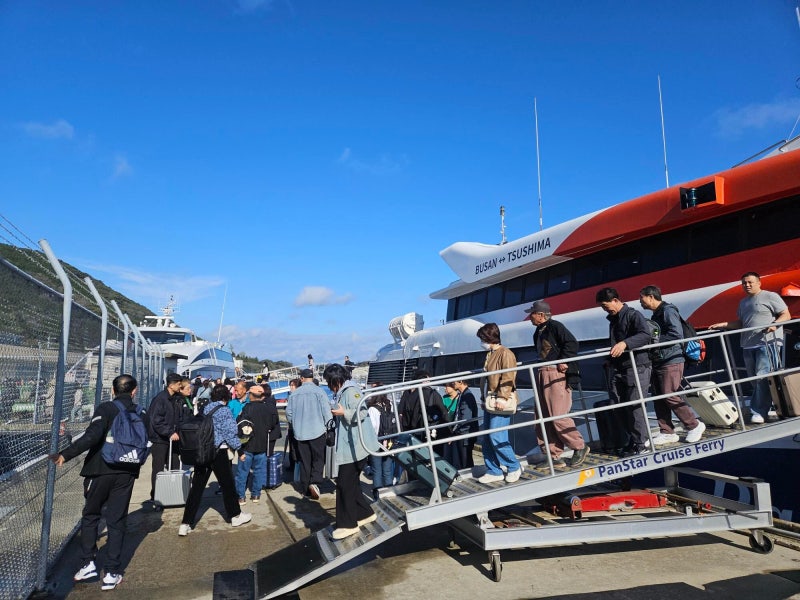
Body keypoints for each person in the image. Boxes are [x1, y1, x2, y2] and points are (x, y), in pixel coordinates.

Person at [50, 374, 147, 591]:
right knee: (117, 520)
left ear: (113, 391)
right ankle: (112, 573)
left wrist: (66, 454)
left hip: (100, 470)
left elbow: (92, 436)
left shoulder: (106, 408)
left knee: (91, 515)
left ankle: (88, 563)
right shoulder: (140, 411)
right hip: (127, 472)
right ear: (134, 391)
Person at [709, 272, 791, 423]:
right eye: (744, 283)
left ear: (759, 283)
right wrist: (724, 325)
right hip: (747, 345)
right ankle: (770, 405)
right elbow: (742, 323)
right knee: (755, 379)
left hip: (767, 343)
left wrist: (774, 325)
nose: (747, 285)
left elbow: (786, 315)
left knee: (762, 377)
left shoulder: (770, 296)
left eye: (750, 282)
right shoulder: (743, 302)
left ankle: (759, 411)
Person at [179, 384, 251, 535]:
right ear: (226, 397)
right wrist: (240, 449)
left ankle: (186, 523)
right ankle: (235, 516)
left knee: (197, 488)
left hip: (202, 451)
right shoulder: (224, 411)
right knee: (228, 486)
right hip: (219, 452)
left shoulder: (205, 408)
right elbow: (230, 434)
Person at [525, 300, 590, 467]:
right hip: (542, 372)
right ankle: (553, 455)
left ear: (541, 315)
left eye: (531, 313)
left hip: (555, 373)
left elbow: (571, 343)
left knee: (557, 414)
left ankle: (579, 446)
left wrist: (564, 360)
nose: (529, 317)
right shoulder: (538, 331)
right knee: (542, 417)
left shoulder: (555, 326)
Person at [640, 286, 706, 444]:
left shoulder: (668, 310)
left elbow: (676, 334)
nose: (640, 301)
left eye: (641, 298)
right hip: (659, 360)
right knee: (659, 397)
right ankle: (667, 431)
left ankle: (694, 425)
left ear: (650, 297)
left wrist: (653, 343)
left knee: (669, 393)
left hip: (671, 359)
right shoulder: (656, 314)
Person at [323, 363, 379, 540]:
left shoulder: (351, 391)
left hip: (356, 446)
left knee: (344, 484)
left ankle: (347, 524)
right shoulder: (344, 391)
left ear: (336, 380)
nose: (328, 385)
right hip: (353, 446)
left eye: (329, 381)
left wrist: (343, 412)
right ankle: (364, 513)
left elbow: (361, 412)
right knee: (351, 483)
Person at [596, 287, 652, 455]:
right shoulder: (613, 319)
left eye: (605, 306)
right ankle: (634, 439)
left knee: (635, 406)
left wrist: (624, 344)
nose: (604, 309)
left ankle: (641, 443)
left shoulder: (633, 315)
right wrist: (609, 360)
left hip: (637, 366)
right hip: (620, 367)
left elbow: (645, 335)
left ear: (615, 300)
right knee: (616, 405)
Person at [476, 323, 522, 484]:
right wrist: (483, 398)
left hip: (500, 400)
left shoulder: (505, 353)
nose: (481, 342)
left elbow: (508, 376)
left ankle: (513, 466)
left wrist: (503, 398)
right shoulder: (490, 353)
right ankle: (493, 470)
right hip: (490, 399)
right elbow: (487, 379)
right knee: (487, 437)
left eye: (482, 338)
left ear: (489, 337)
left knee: (497, 435)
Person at [285, 368, 332, 500]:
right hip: (318, 431)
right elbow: (326, 412)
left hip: (300, 433)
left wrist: (295, 425)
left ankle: (305, 490)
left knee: (305, 461)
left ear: (302, 378)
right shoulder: (320, 392)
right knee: (318, 459)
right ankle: (315, 482)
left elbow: (289, 414)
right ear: (312, 378)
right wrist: (330, 429)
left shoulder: (294, 394)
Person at [147, 373, 184, 505]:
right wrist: (169, 432)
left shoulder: (176, 398)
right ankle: (156, 496)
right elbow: (156, 420)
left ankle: (173, 493)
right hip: (160, 439)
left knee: (174, 463)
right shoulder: (160, 399)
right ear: (171, 385)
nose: (181, 386)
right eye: (179, 384)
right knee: (158, 467)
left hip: (172, 439)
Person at [236, 385, 275, 504]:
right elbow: (271, 425)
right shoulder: (267, 408)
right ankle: (256, 495)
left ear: (251, 395)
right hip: (262, 445)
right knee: (258, 472)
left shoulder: (247, 408)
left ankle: (241, 496)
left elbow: (239, 423)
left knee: (242, 473)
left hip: (248, 445)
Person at [397, 369, 449, 439]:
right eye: (428, 380)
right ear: (423, 381)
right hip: (429, 430)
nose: (430, 382)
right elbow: (443, 412)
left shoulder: (410, 396)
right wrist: (448, 431)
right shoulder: (433, 394)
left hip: (413, 431)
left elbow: (404, 415)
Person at [446, 379, 480, 469]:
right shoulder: (463, 395)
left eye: (454, 382)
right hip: (464, 433)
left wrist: (455, 434)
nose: (452, 383)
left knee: (465, 461)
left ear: (461, 381)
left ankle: (468, 476)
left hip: (465, 434)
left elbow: (465, 419)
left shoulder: (467, 396)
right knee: (463, 459)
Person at [367, 392, 395, 499]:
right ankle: (390, 494)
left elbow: (373, 427)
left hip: (376, 442)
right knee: (387, 470)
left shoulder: (372, 409)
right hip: (389, 442)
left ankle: (377, 497)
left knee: (376, 470)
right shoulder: (390, 405)